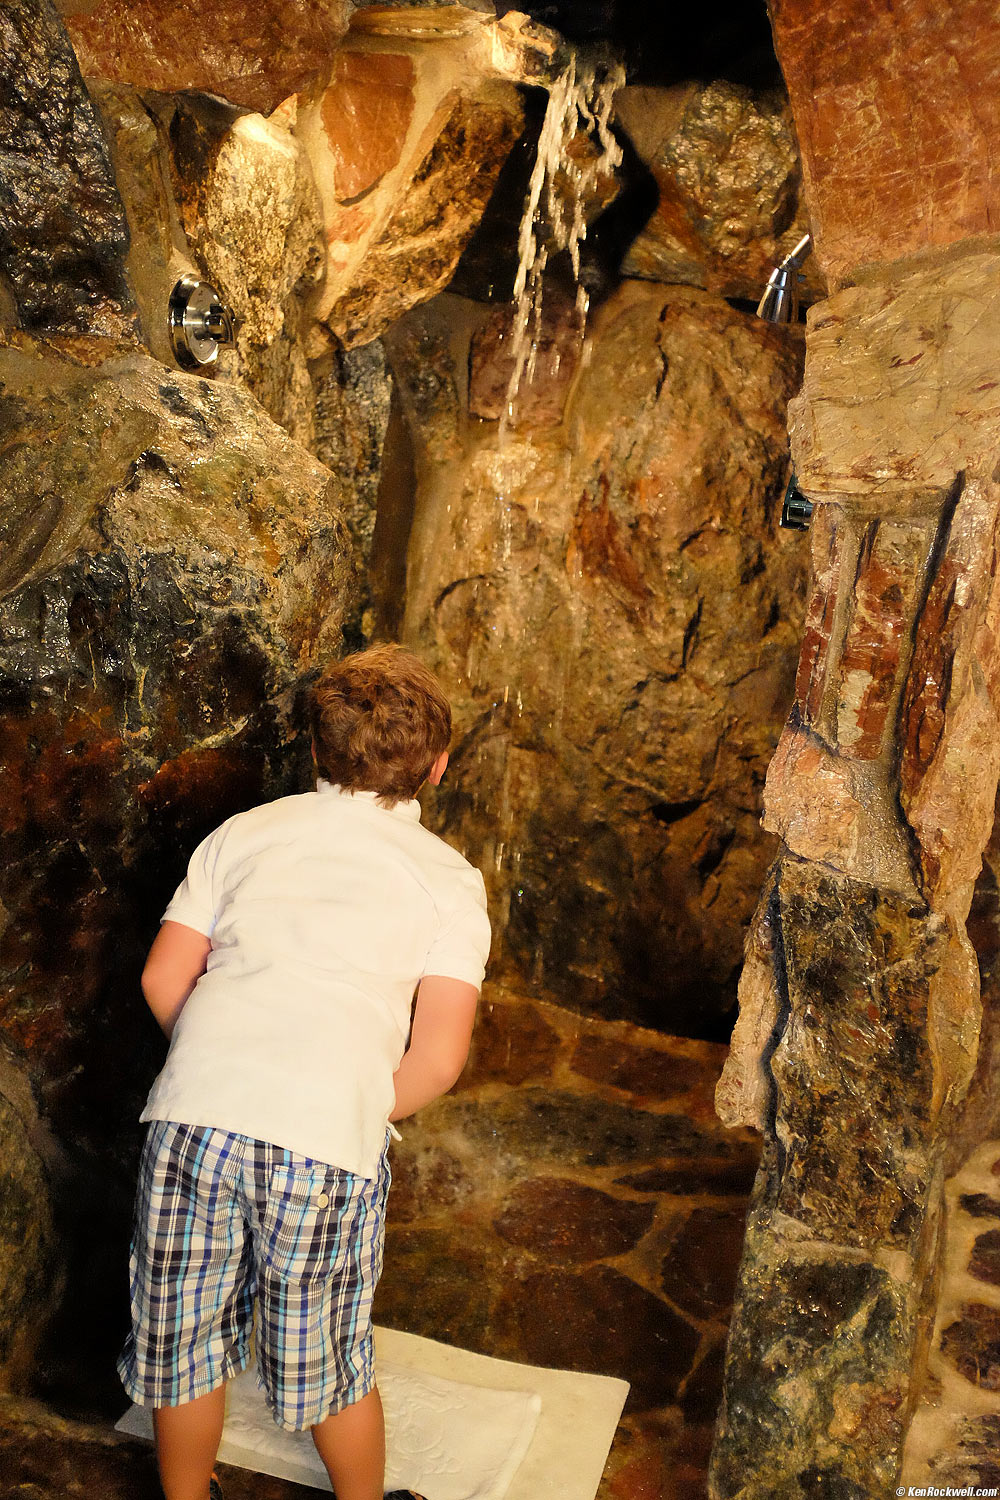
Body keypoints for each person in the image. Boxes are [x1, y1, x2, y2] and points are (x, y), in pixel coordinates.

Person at [117, 644, 491, 1500]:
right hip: (322, 1146)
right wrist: (353, 1102)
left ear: (315, 752)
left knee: (184, 1334)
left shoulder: (243, 834)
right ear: (438, 765)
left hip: (192, 1120)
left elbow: (162, 978)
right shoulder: (449, 882)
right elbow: (438, 1056)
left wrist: (219, 1064)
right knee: (326, 1350)